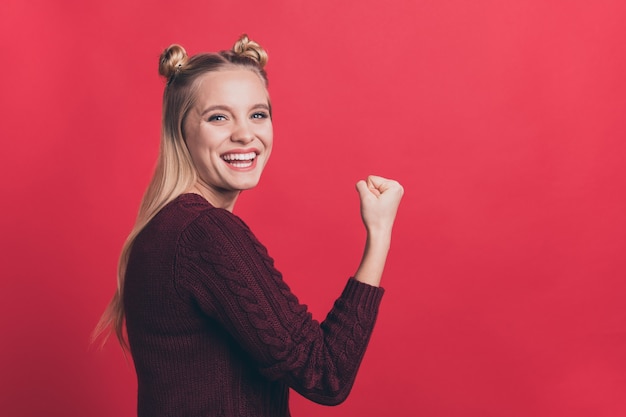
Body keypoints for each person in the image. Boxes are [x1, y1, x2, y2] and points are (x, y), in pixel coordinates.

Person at [94, 34, 404, 417]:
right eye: (218, 117)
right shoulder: (206, 233)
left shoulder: (165, 229)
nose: (245, 134)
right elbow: (326, 374)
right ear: (181, 130)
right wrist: (380, 235)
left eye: (257, 114)